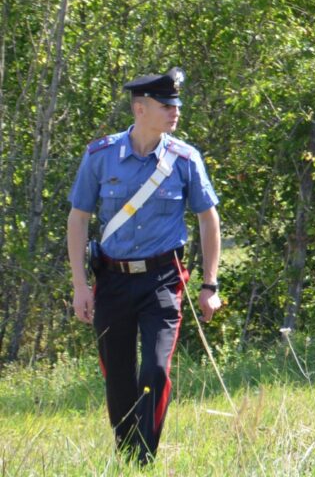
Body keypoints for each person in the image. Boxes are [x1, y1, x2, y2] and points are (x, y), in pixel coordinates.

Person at [66, 67, 222, 463]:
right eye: (166, 105)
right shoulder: (100, 156)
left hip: (163, 280)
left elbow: (208, 218)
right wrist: (80, 286)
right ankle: (128, 455)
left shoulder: (185, 158)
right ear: (140, 108)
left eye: (176, 105)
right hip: (112, 280)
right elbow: (79, 217)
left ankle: (143, 458)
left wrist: (210, 284)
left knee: (154, 369)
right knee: (118, 378)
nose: (175, 112)